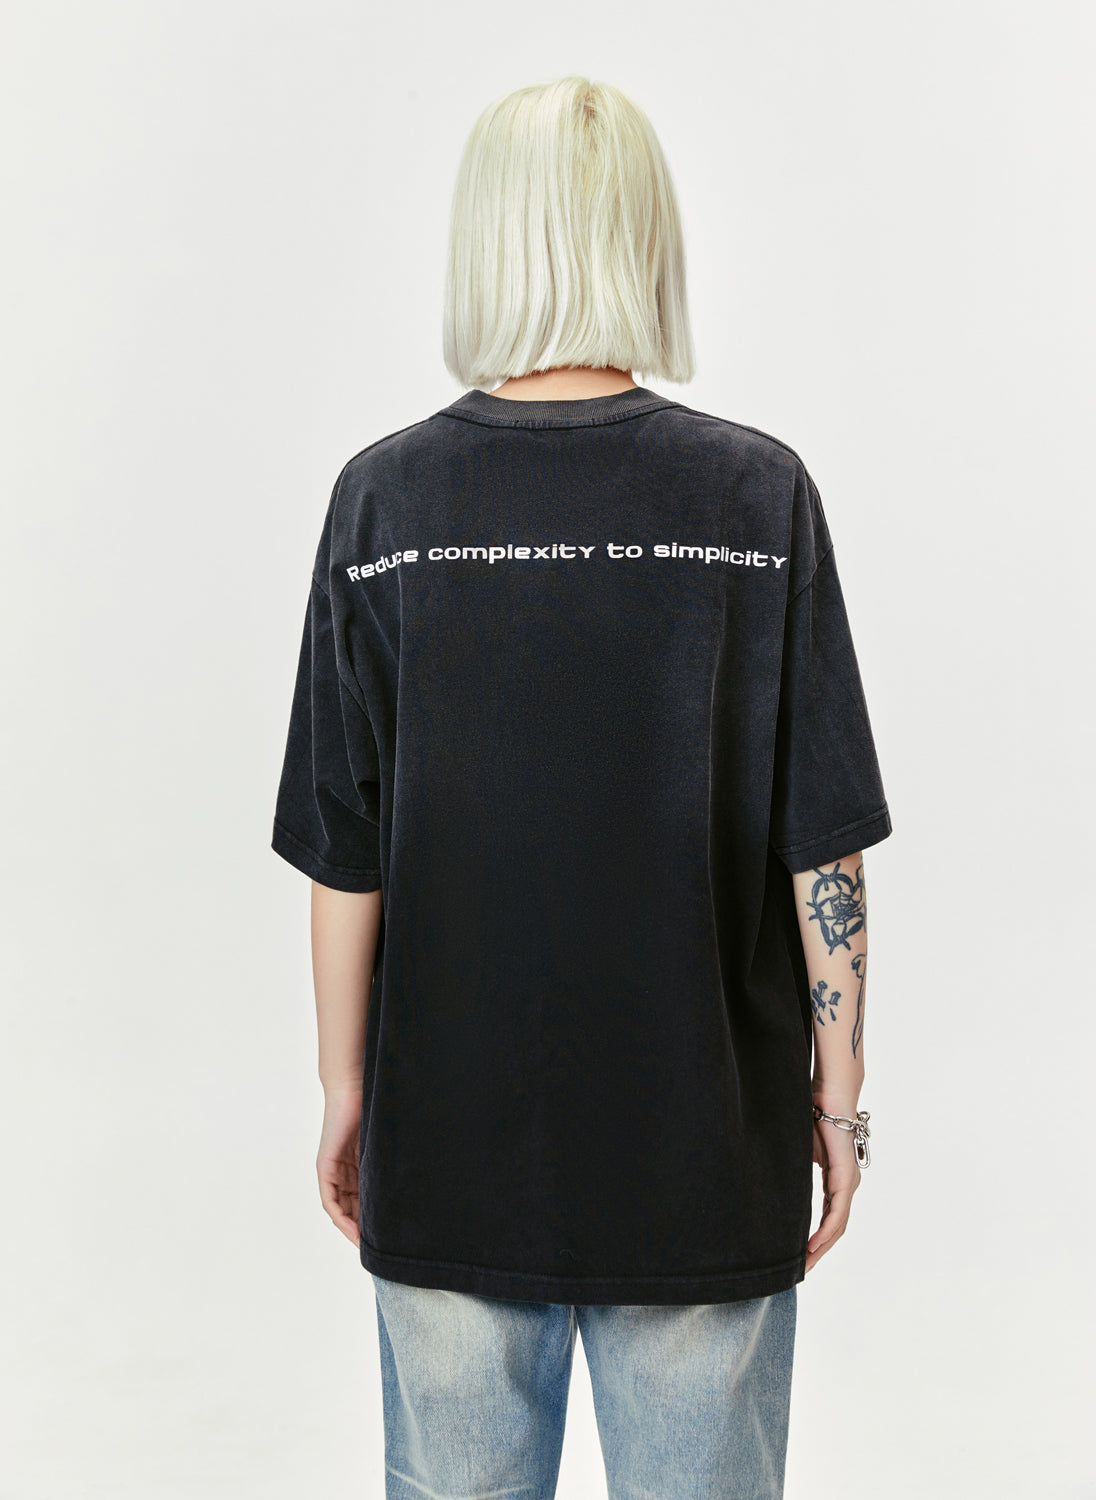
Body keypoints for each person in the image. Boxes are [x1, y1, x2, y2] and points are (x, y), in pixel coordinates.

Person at [271, 74, 891, 1500]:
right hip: (705, 1151)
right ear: (646, 237)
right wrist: (840, 1099)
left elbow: (347, 851)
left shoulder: (386, 506)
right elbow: (825, 849)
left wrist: (346, 1088)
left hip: (449, 1145)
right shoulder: (756, 502)